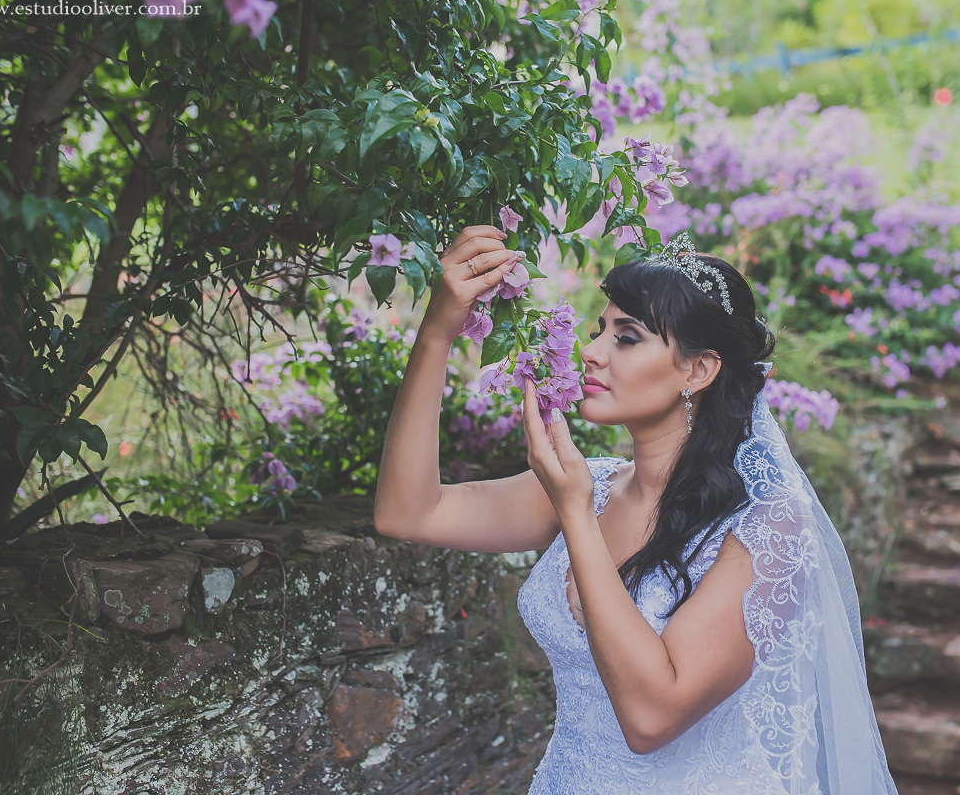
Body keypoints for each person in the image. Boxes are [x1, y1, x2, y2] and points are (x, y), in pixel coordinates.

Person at [374, 225, 900, 794]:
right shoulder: (594, 485)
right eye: (600, 329)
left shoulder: (765, 528)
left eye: (627, 337)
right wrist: (437, 331)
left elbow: (652, 719)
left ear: (698, 370)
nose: (592, 351)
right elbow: (408, 512)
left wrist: (575, 516)